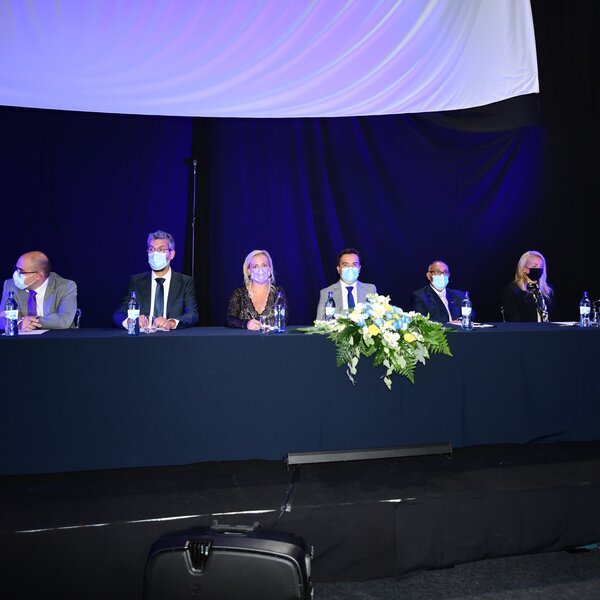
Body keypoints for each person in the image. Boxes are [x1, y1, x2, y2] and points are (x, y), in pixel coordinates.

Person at [113, 230, 198, 329]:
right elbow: (118, 314)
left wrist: (171, 323)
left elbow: (192, 314)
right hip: (144, 336)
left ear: (171, 254)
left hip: (172, 337)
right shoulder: (136, 282)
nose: (155, 253)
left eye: (161, 249)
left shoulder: (185, 282)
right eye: (151, 249)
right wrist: (131, 321)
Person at [0, 251, 77, 331]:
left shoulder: (66, 286)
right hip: (23, 338)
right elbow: (1, 318)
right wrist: (20, 323)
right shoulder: (10, 285)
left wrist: (29, 321)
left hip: (57, 337)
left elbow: (64, 320)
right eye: (16, 269)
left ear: (38, 276)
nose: (16, 274)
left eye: (21, 271)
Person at [227, 250, 288, 329]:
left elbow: (284, 320)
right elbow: (230, 320)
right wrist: (246, 324)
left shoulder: (278, 292)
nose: (260, 270)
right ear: (248, 271)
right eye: (255, 266)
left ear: (270, 269)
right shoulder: (239, 293)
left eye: (264, 265)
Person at [316, 248, 377, 320]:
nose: (350, 268)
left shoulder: (370, 289)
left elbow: (377, 317)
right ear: (338, 269)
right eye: (345, 265)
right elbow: (319, 322)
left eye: (354, 264)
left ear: (359, 268)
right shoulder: (326, 293)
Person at [501, 250, 556, 322]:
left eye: (541, 266)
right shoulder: (513, 290)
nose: (538, 269)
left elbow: (555, 316)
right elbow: (513, 319)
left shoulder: (549, 290)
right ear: (524, 268)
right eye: (534, 266)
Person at [410, 260, 469, 324]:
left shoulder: (458, 294)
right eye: (438, 272)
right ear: (429, 276)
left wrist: (461, 320)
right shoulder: (420, 296)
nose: (442, 276)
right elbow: (422, 319)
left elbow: (471, 313)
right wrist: (448, 325)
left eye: (445, 272)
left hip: (460, 330)